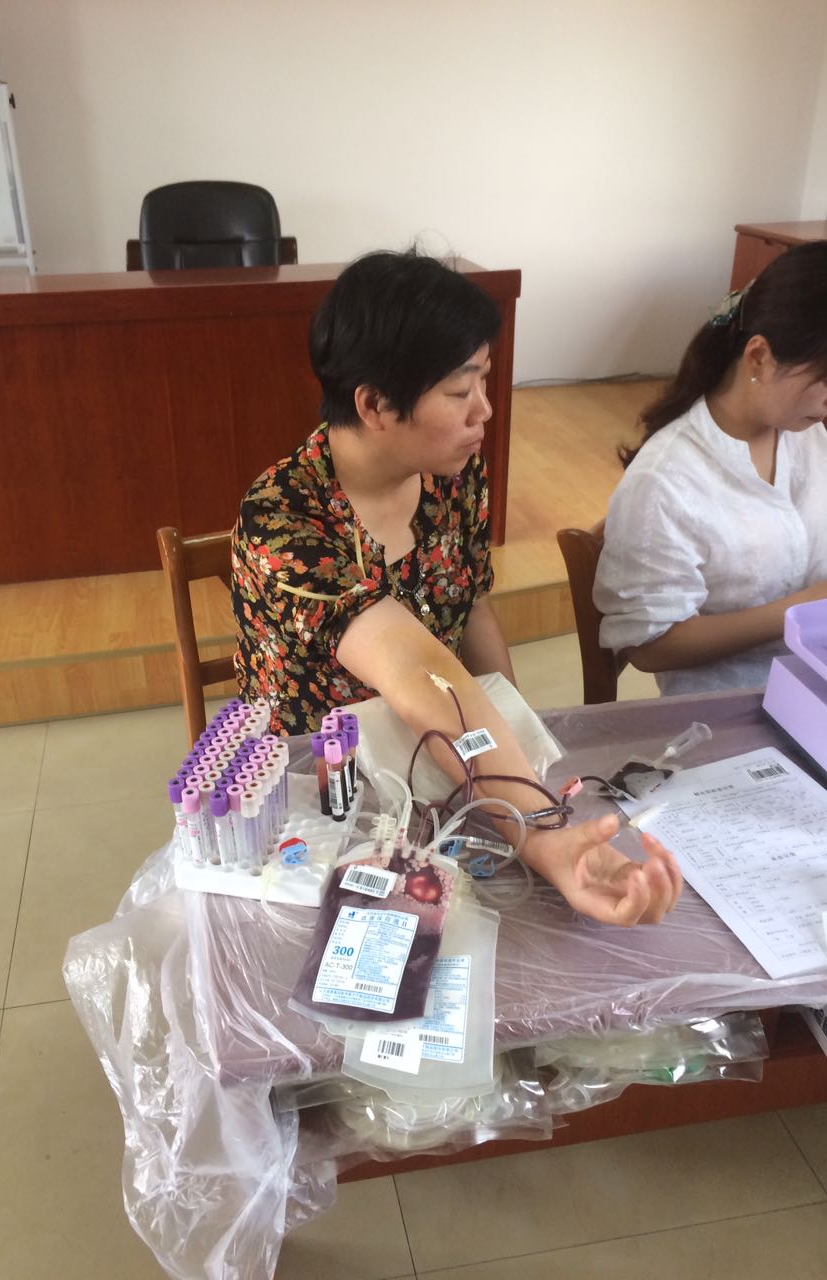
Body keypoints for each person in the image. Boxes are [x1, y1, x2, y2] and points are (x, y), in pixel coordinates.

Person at [232, 249, 681, 928]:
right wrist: (537, 827)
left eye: (486, 381)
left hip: (440, 758)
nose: (485, 411)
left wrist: (517, 746)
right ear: (375, 404)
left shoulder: (450, 474)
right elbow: (421, 672)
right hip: (327, 798)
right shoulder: (285, 521)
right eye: (459, 390)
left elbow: (469, 607)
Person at [595, 242, 827, 695]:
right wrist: (800, 610)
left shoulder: (807, 434)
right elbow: (650, 646)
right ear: (758, 358)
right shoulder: (665, 480)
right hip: (732, 706)